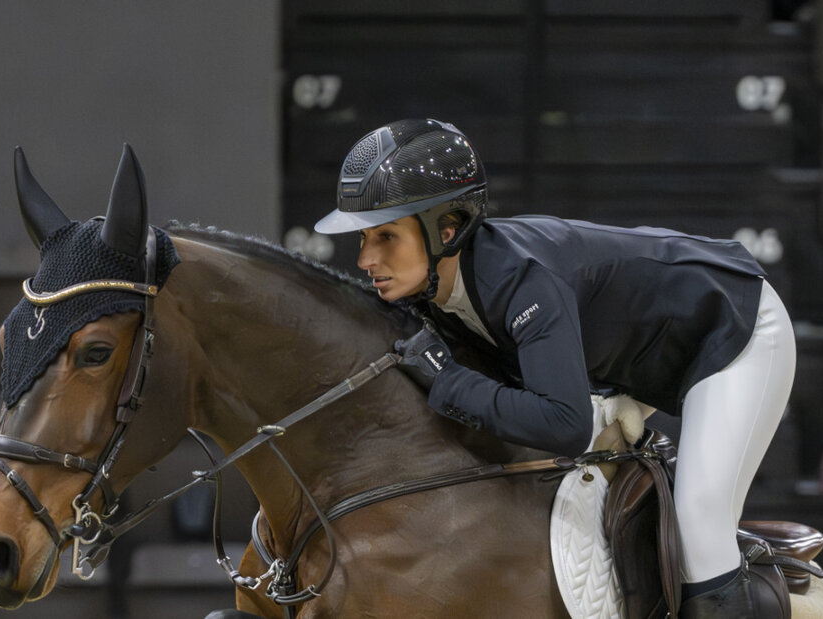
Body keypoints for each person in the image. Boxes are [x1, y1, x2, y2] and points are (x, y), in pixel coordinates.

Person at [314, 118, 796, 617]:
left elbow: (562, 425)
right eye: (364, 238)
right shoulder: (434, 291)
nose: (367, 258)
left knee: (699, 523)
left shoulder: (522, 281)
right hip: (644, 355)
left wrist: (447, 380)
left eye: (386, 237)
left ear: (447, 229)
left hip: (734, 326)